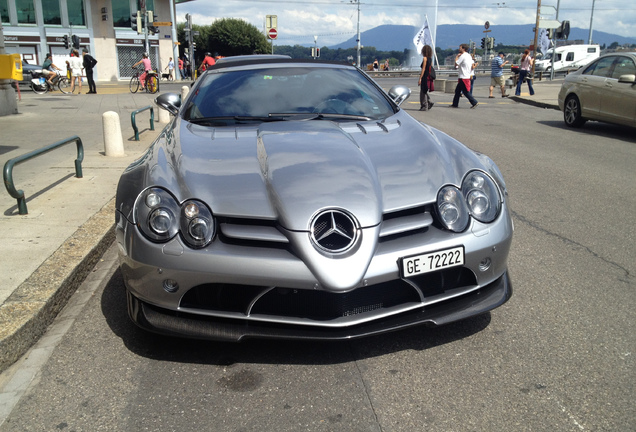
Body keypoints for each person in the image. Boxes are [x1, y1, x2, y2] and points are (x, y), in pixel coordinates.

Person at [450, 43, 478, 109]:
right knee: (457, 91)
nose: (459, 49)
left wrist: (457, 57)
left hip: (463, 76)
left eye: (460, 48)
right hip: (466, 75)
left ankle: (474, 102)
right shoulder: (469, 56)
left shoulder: (463, 56)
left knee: (465, 91)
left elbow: (456, 64)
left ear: (463, 49)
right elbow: (472, 65)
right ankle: (455, 104)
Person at [417, 45, 434, 111]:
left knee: (423, 91)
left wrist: (420, 78)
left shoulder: (425, 58)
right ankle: (429, 101)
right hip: (428, 77)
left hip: (425, 76)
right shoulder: (430, 59)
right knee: (425, 90)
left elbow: (423, 69)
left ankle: (425, 105)